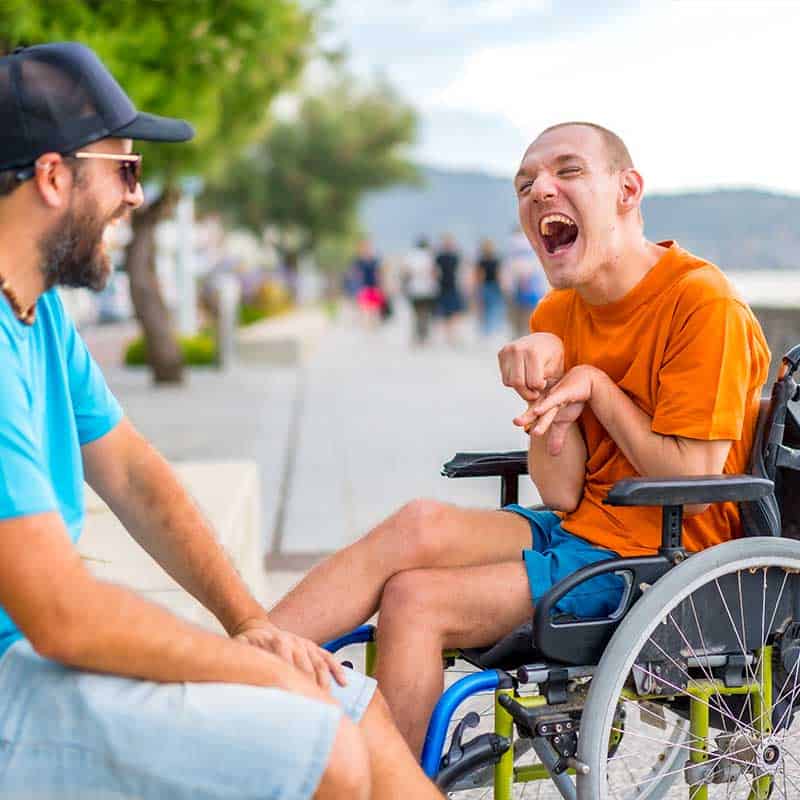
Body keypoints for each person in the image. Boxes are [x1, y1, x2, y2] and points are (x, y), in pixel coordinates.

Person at [0, 42, 442, 800]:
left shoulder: (36, 316)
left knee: (344, 700)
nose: (136, 197)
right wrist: (254, 668)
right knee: (323, 749)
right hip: (17, 681)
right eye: (125, 170)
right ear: (53, 176)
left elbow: (135, 474)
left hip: (36, 663)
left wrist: (251, 625)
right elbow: (62, 616)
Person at [268, 121, 771, 756]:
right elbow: (561, 493)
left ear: (627, 190)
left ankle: (388, 783)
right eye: (525, 183)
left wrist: (595, 386)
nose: (540, 191)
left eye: (567, 171)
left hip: (671, 561)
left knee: (415, 599)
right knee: (417, 524)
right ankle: (234, 660)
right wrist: (547, 399)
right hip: (585, 530)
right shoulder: (558, 312)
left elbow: (696, 492)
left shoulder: (702, 303)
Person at [504, 225, 547, 338]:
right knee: (530, 313)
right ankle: (530, 333)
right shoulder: (532, 244)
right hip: (533, 283)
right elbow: (538, 267)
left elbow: (508, 269)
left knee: (517, 314)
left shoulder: (511, 246)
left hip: (517, 284)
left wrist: (508, 288)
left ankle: (518, 335)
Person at [401, 236, 437, 346]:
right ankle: (424, 337)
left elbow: (405, 272)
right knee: (425, 314)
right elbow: (434, 273)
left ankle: (415, 337)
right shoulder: (430, 256)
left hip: (414, 289)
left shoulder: (411, 256)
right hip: (427, 289)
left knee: (415, 314)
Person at [434, 233, 465, 345]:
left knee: (451, 313)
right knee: (447, 314)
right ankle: (449, 336)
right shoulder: (443, 257)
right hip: (445, 287)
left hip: (450, 287)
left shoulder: (450, 257)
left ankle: (451, 336)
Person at [473, 237, 505, 336]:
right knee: (493, 308)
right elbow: (498, 274)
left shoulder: (481, 261)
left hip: (487, 286)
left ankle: (487, 330)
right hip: (492, 286)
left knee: (486, 309)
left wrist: (477, 287)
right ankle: (492, 330)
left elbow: (480, 275)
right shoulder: (495, 260)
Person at [352, 238, 384, 328]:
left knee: (374, 310)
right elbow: (356, 274)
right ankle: (367, 328)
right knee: (365, 310)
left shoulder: (374, 260)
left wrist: (380, 287)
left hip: (374, 287)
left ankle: (373, 327)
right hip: (364, 287)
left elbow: (378, 274)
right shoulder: (359, 261)